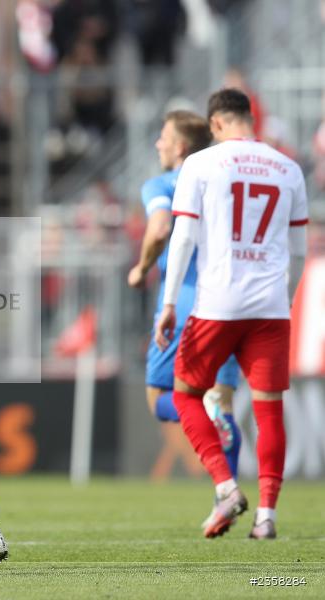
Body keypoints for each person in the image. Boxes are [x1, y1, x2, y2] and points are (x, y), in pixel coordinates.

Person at [155, 88, 308, 540]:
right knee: (269, 411)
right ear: (249, 119)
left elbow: (182, 239)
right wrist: (285, 296)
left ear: (215, 124)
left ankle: (225, 486)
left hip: (218, 303)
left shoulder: (200, 164)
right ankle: (267, 517)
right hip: (270, 306)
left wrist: (167, 303)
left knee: (185, 394)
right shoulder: (288, 168)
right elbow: (298, 251)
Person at [127, 111, 243, 500]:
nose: (158, 144)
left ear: (180, 147)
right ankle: (226, 496)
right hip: (228, 300)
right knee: (222, 403)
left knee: (160, 399)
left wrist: (141, 267)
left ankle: (224, 486)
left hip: (182, 302)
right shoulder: (224, 181)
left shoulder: (163, 183)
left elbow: (160, 228)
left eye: (163, 137)